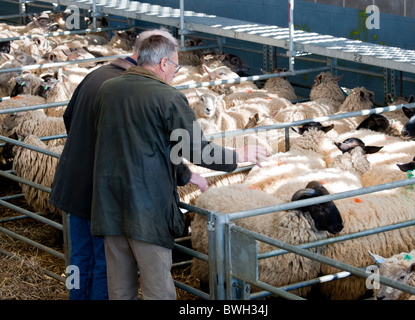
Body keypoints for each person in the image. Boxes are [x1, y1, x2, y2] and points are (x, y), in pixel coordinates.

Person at [90, 35, 269, 300]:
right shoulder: (167, 97)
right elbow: (195, 149)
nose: (175, 71)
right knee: (158, 289)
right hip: (146, 210)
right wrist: (238, 153)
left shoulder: (108, 89)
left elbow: (135, 141)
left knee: (119, 289)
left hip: (109, 205)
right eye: (175, 65)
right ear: (163, 63)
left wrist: (184, 174)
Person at [49, 28, 205, 300]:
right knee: (102, 264)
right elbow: (149, 143)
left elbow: (68, 118)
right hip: (105, 191)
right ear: (158, 57)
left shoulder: (97, 76)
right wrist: (183, 173)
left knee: (78, 258)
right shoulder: (133, 88)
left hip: (75, 185)